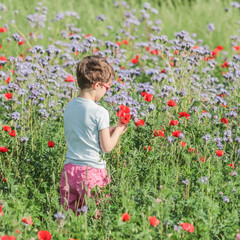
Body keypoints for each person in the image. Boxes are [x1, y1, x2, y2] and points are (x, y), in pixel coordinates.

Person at [60, 55, 127, 216]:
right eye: (107, 87)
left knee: (68, 214)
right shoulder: (100, 112)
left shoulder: (69, 106)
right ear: (97, 85)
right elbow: (107, 147)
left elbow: (83, 131)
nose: (106, 91)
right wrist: (118, 130)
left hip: (69, 170)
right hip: (92, 173)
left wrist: (107, 129)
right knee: (96, 215)